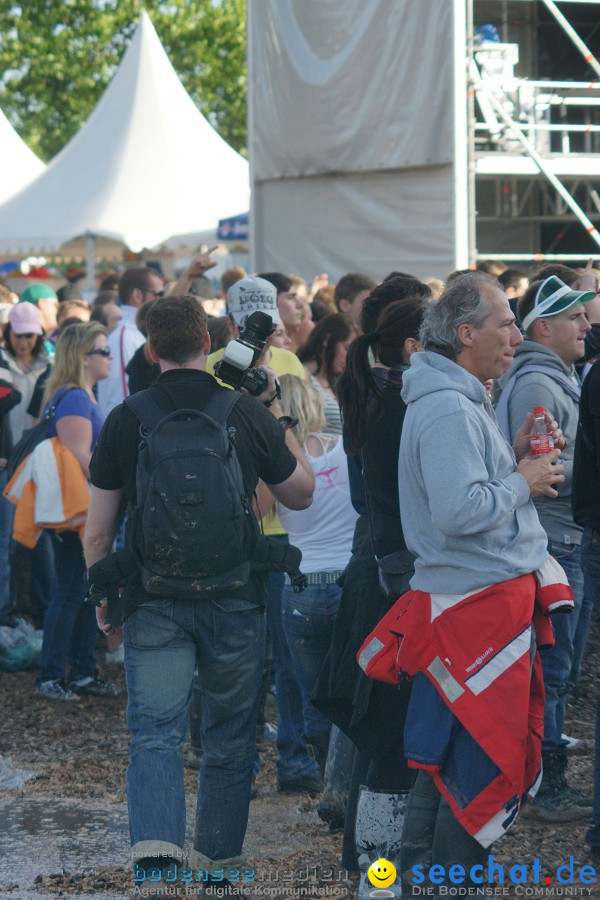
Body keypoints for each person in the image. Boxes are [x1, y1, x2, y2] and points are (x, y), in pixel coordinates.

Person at [83, 294, 314, 890]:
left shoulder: (127, 417)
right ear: (210, 345)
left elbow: (99, 528)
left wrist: (107, 596)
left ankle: (157, 870)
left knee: (155, 734)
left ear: (150, 350)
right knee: (231, 735)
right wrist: (274, 416)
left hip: (155, 596)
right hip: (235, 594)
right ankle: (218, 867)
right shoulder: (241, 409)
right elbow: (302, 493)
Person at [395, 272, 568, 890]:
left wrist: (511, 452)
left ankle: (421, 880)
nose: (518, 337)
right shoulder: (447, 408)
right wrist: (522, 480)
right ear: (466, 334)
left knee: (444, 762)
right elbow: (458, 510)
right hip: (476, 613)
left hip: (474, 606)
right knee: (475, 761)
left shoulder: (459, 399)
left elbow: (466, 490)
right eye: (506, 324)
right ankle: (446, 885)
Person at [314, 299, 427, 895]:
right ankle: (375, 877)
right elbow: (391, 506)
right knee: (386, 739)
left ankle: (368, 869)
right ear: (414, 345)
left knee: (379, 737)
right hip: (391, 587)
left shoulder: (378, 397)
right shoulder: (397, 408)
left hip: (378, 581)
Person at [207, 277, 319, 795]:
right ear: (229, 324)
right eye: (251, 325)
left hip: (275, 532)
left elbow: (302, 434)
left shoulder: (290, 366)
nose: (260, 336)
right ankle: (244, 763)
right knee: (243, 660)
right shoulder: (213, 370)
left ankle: (291, 760)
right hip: (240, 529)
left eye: (267, 325)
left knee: (280, 661)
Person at [496, 275, 594, 822]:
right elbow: (536, 471)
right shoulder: (539, 384)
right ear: (544, 327)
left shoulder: (554, 377)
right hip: (553, 538)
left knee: (557, 672)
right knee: (552, 673)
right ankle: (542, 789)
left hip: (561, 535)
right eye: (576, 317)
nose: (587, 326)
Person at [277, 375, 358, 775]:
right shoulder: (347, 450)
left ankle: (327, 781)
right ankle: (352, 786)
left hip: (302, 588)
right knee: (355, 690)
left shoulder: (277, 465)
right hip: (350, 583)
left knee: (313, 697)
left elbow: (257, 514)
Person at [36, 322, 117, 701]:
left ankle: (81, 671)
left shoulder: (77, 395)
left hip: (82, 509)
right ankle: (51, 675)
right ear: (84, 359)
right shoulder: (75, 399)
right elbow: (80, 457)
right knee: (71, 589)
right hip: (77, 510)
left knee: (83, 588)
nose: (109, 357)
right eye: (103, 350)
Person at [96, 267, 164, 415]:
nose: (162, 299)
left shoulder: (134, 333)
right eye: (159, 294)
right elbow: (123, 401)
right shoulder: (124, 337)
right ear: (138, 295)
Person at [297, 314, 359, 435]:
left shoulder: (340, 381)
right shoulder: (301, 375)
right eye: (346, 348)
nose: (349, 357)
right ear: (327, 340)